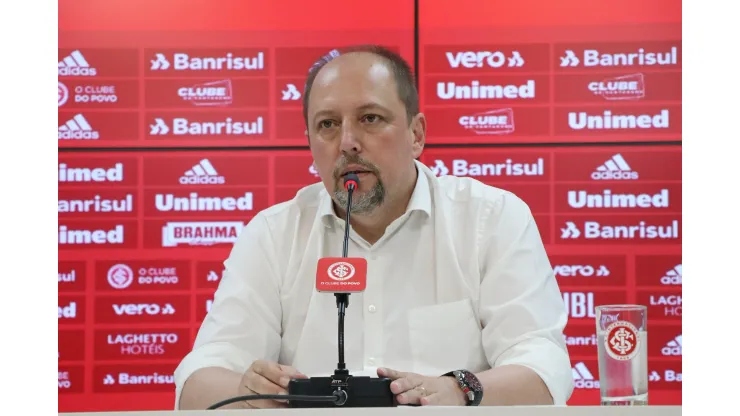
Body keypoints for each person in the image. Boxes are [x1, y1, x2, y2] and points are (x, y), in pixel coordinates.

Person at [174, 44, 574, 409]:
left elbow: (543, 364)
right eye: (327, 124)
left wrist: (461, 388)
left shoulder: (491, 218)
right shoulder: (273, 234)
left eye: (370, 118)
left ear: (416, 135)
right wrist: (245, 394)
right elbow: (199, 376)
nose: (348, 142)